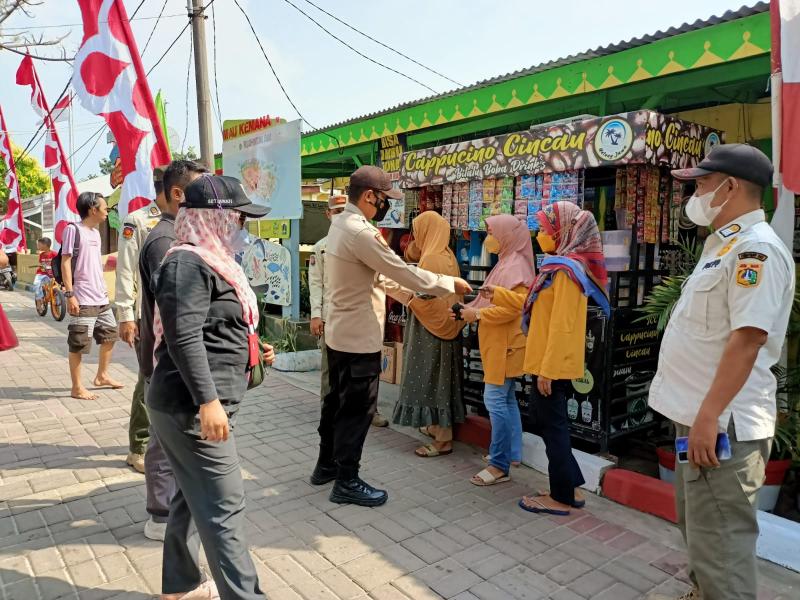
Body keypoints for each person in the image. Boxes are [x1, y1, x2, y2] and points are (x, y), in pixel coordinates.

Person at [645, 144, 794, 600]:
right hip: (700, 420)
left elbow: (747, 340)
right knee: (701, 528)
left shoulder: (757, 251)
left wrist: (709, 415)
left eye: (701, 184)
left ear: (730, 186)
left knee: (722, 546)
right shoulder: (723, 246)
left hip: (722, 424)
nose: (695, 193)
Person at [311, 165, 472, 507]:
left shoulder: (340, 224)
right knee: (357, 409)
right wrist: (447, 284)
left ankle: (326, 465)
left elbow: (377, 279)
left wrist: (410, 297)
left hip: (340, 334)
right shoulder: (361, 232)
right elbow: (397, 270)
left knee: (335, 403)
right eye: (385, 199)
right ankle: (347, 480)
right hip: (358, 339)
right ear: (369, 196)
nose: (387, 206)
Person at [148, 174, 274, 600]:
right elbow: (182, 336)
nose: (242, 227)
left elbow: (214, 325)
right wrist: (208, 401)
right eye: (238, 218)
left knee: (189, 494)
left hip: (200, 404)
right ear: (214, 218)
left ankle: (179, 586)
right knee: (224, 508)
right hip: (190, 408)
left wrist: (254, 347)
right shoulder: (186, 262)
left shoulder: (213, 260)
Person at [483, 201, 609, 515]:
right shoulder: (558, 265)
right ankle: (571, 485)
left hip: (552, 365)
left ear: (564, 231)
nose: (540, 235)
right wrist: (497, 294)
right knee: (553, 425)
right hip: (545, 361)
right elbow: (538, 308)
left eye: (545, 229)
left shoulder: (566, 271)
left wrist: (548, 371)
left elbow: (563, 326)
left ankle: (561, 496)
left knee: (552, 427)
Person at [138, 160, 207, 543]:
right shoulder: (165, 241)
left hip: (165, 357)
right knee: (164, 442)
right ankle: (161, 515)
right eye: (201, 190)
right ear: (178, 194)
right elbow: (176, 319)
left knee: (167, 439)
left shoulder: (172, 235)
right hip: (167, 360)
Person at [452, 215, 535, 485]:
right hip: (501, 343)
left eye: (491, 232)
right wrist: (472, 310)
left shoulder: (517, 267)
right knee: (507, 399)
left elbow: (512, 308)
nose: (488, 238)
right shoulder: (506, 263)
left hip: (506, 345)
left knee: (495, 400)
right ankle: (511, 453)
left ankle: (499, 464)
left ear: (507, 235)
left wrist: (476, 315)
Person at [392, 210, 465, 457]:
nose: (415, 237)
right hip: (444, 327)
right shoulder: (447, 255)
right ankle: (436, 427)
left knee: (433, 379)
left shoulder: (431, 259)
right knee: (441, 379)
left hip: (431, 330)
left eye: (418, 231)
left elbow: (426, 298)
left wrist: (406, 296)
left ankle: (444, 440)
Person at [116, 177, 165, 474]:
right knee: (149, 377)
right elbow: (125, 268)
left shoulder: (184, 219)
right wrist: (125, 315)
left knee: (161, 377)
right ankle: (139, 446)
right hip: (144, 315)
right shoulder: (138, 220)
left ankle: (159, 438)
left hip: (171, 314)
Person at [62, 192, 123, 401]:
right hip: (83, 298)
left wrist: (113, 263)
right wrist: (70, 294)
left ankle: (102, 375)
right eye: (105, 208)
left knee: (110, 335)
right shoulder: (73, 230)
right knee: (78, 343)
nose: (107, 212)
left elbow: (93, 264)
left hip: (101, 298)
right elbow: (66, 262)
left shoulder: (96, 234)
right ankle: (77, 387)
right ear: (93, 209)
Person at [33, 237, 57, 312]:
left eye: (39, 245)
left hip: (52, 273)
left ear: (45, 245)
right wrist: (42, 267)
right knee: (36, 285)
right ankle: (39, 300)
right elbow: (41, 264)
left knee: (57, 287)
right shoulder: (41, 254)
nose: (38, 246)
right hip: (42, 273)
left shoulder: (54, 254)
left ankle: (58, 299)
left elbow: (57, 264)